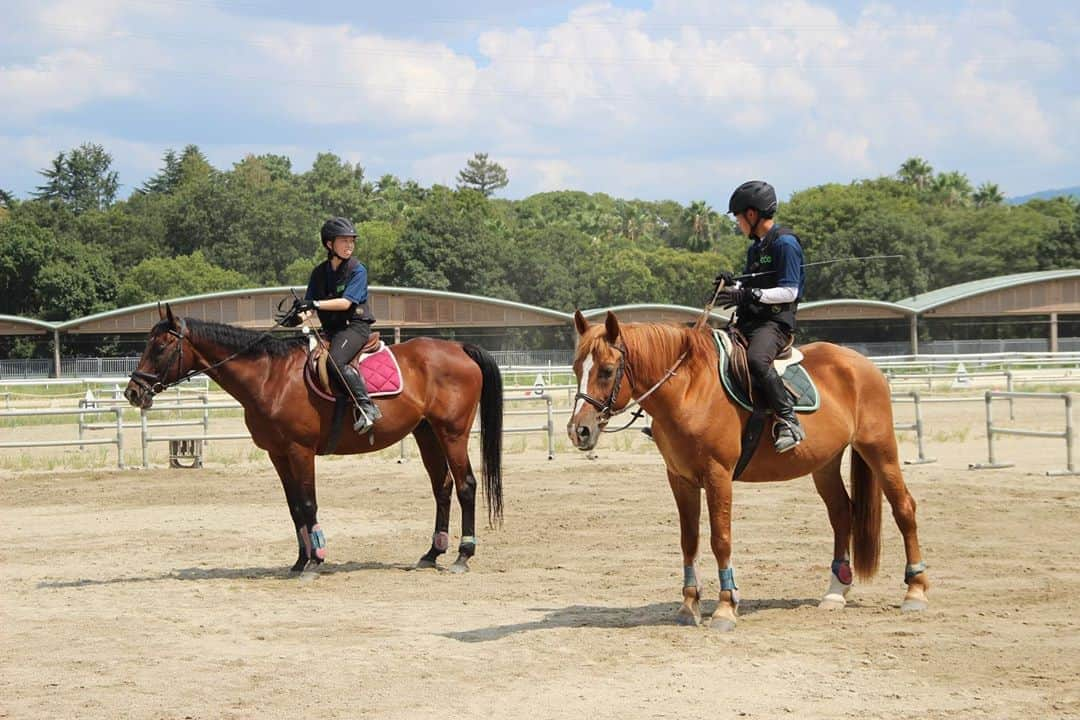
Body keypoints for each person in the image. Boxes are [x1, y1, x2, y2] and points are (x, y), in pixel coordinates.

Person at [714, 180, 806, 453]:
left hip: (774, 324)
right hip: (749, 321)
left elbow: (790, 291)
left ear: (751, 215)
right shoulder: (756, 248)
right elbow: (752, 285)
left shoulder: (785, 244)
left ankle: (788, 420)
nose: (738, 223)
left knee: (756, 359)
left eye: (738, 218)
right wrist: (732, 286)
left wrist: (751, 295)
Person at [287, 217, 382, 433]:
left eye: (352, 241)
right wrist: (296, 318)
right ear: (329, 244)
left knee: (335, 362)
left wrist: (315, 303)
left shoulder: (358, 270)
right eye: (344, 241)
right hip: (330, 331)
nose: (350, 245)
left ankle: (367, 406)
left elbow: (345, 302)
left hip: (354, 327)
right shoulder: (319, 273)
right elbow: (310, 309)